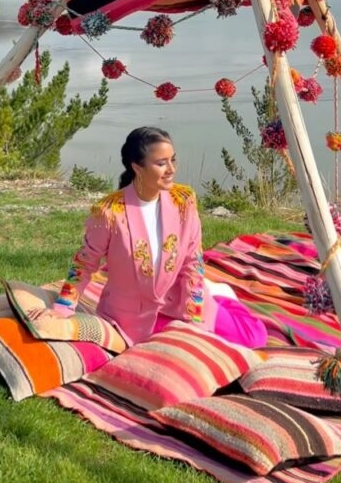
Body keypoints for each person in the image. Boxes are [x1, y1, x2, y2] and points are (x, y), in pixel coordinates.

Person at [53, 126, 267, 348]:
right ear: (138, 167)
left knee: (254, 338)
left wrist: (194, 321)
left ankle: (222, 297)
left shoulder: (183, 200)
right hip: (132, 318)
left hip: (181, 302)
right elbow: (84, 263)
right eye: (161, 163)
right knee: (170, 357)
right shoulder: (109, 211)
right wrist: (62, 308)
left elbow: (193, 262)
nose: (171, 169)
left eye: (173, 160)